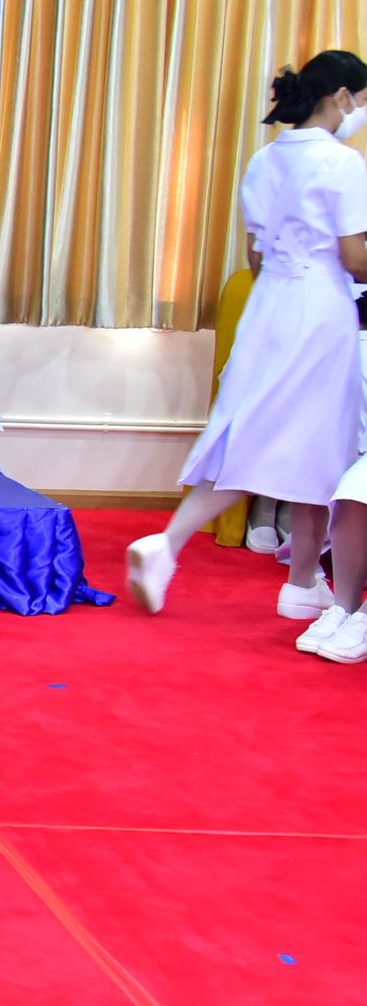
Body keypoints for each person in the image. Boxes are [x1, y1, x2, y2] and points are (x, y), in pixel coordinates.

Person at [127, 52, 367, 622]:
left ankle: (302, 581)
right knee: (310, 442)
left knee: (300, 442)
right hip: (320, 307)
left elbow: (257, 257)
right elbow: (354, 258)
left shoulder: (264, 159)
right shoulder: (342, 163)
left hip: (270, 306)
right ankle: (171, 543)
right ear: (341, 97)